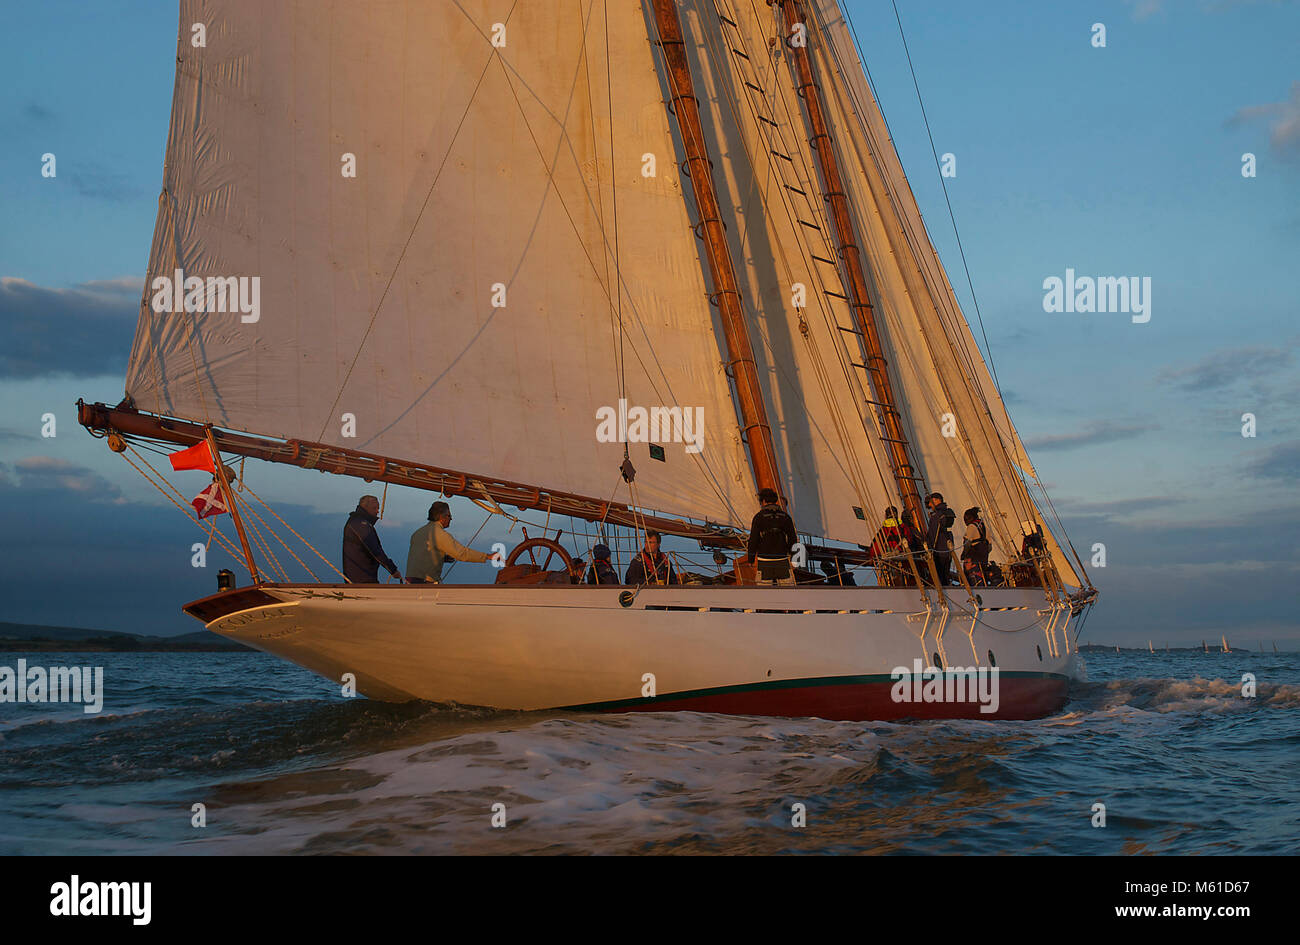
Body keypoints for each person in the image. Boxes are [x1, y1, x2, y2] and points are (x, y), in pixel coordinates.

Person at [406, 500, 498, 583]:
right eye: (449, 516)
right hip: (425, 584)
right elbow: (461, 554)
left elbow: (423, 555)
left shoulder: (417, 533)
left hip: (409, 583)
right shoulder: (440, 534)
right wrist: (487, 556)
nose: (451, 519)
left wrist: (442, 558)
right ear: (442, 517)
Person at [746, 488, 798, 585]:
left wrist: (751, 559)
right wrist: (794, 559)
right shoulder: (785, 517)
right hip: (782, 560)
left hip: (764, 561)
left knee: (764, 593)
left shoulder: (759, 517)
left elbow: (753, 540)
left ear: (764, 501)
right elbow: (792, 539)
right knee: (788, 591)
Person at [343, 495, 400, 583]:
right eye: (375, 508)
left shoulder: (357, 522)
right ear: (365, 507)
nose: (377, 511)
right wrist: (392, 570)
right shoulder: (360, 524)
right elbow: (375, 550)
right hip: (361, 580)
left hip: (360, 578)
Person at [925, 492, 956, 586]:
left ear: (936, 500)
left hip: (938, 551)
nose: (930, 505)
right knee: (945, 576)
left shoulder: (936, 517)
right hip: (948, 550)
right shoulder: (947, 513)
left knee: (939, 577)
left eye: (931, 502)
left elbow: (932, 535)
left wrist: (929, 548)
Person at [960, 506, 992, 584]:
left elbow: (967, 543)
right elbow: (990, 547)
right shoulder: (984, 527)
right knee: (982, 576)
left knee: (972, 578)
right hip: (984, 558)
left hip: (974, 559)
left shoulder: (971, 527)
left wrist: (963, 554)